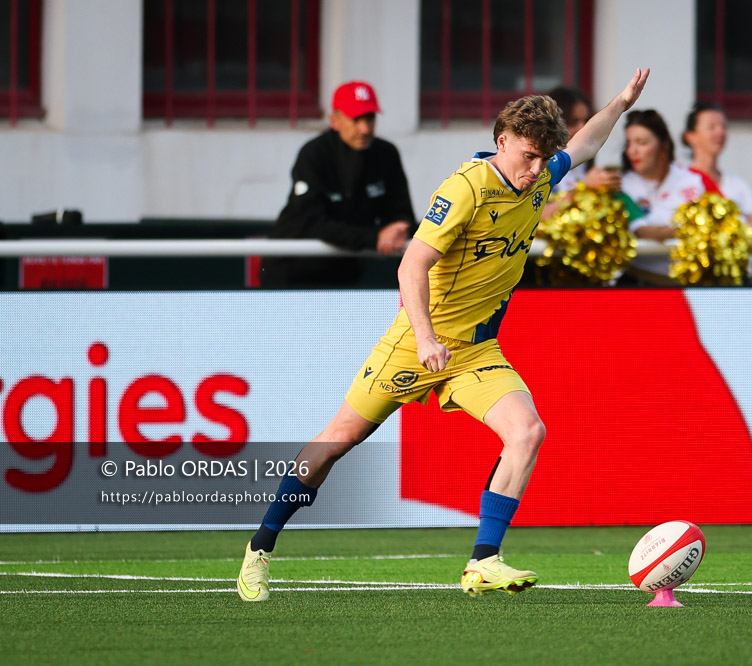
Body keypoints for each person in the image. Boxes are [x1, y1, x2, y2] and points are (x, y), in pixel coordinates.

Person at [237, 68, 651, 601]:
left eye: (543, 158)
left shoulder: (543, 172)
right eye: (527, 156)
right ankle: (259, 548)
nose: (535, 170)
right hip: (418, 342)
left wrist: (620, 101)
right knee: (335, 443)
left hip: (476, 348)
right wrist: (427, 338)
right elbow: (411, 267)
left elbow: (586, 143)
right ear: (501, 141)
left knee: (527, 432)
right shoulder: (465, 189)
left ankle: (484, 561)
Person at [259, 81, 416, 287]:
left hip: (343, 274)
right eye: (356, 119)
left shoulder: (386, 154)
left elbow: (400, 212)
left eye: (369, 118)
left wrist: (399, 230)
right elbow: (311, 221)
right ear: (335, 120)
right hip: (292, 273)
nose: (365, 128)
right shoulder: (314, 154)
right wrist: (373, 238)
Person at [619, 108, 721, 284]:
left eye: (642, 142)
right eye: (629, 143)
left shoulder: (695, 180)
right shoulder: (621, 186)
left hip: (691, 285)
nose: (632, 151)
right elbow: (641, 231)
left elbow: (726, 221)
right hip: (639, 284)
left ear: (664, 145)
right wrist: (690, 230)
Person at [682, 102, 752, 226]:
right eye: (711, 127)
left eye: (724, 126)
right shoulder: (680, 182)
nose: (720, 132)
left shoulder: (738, 185)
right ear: (690, 136)